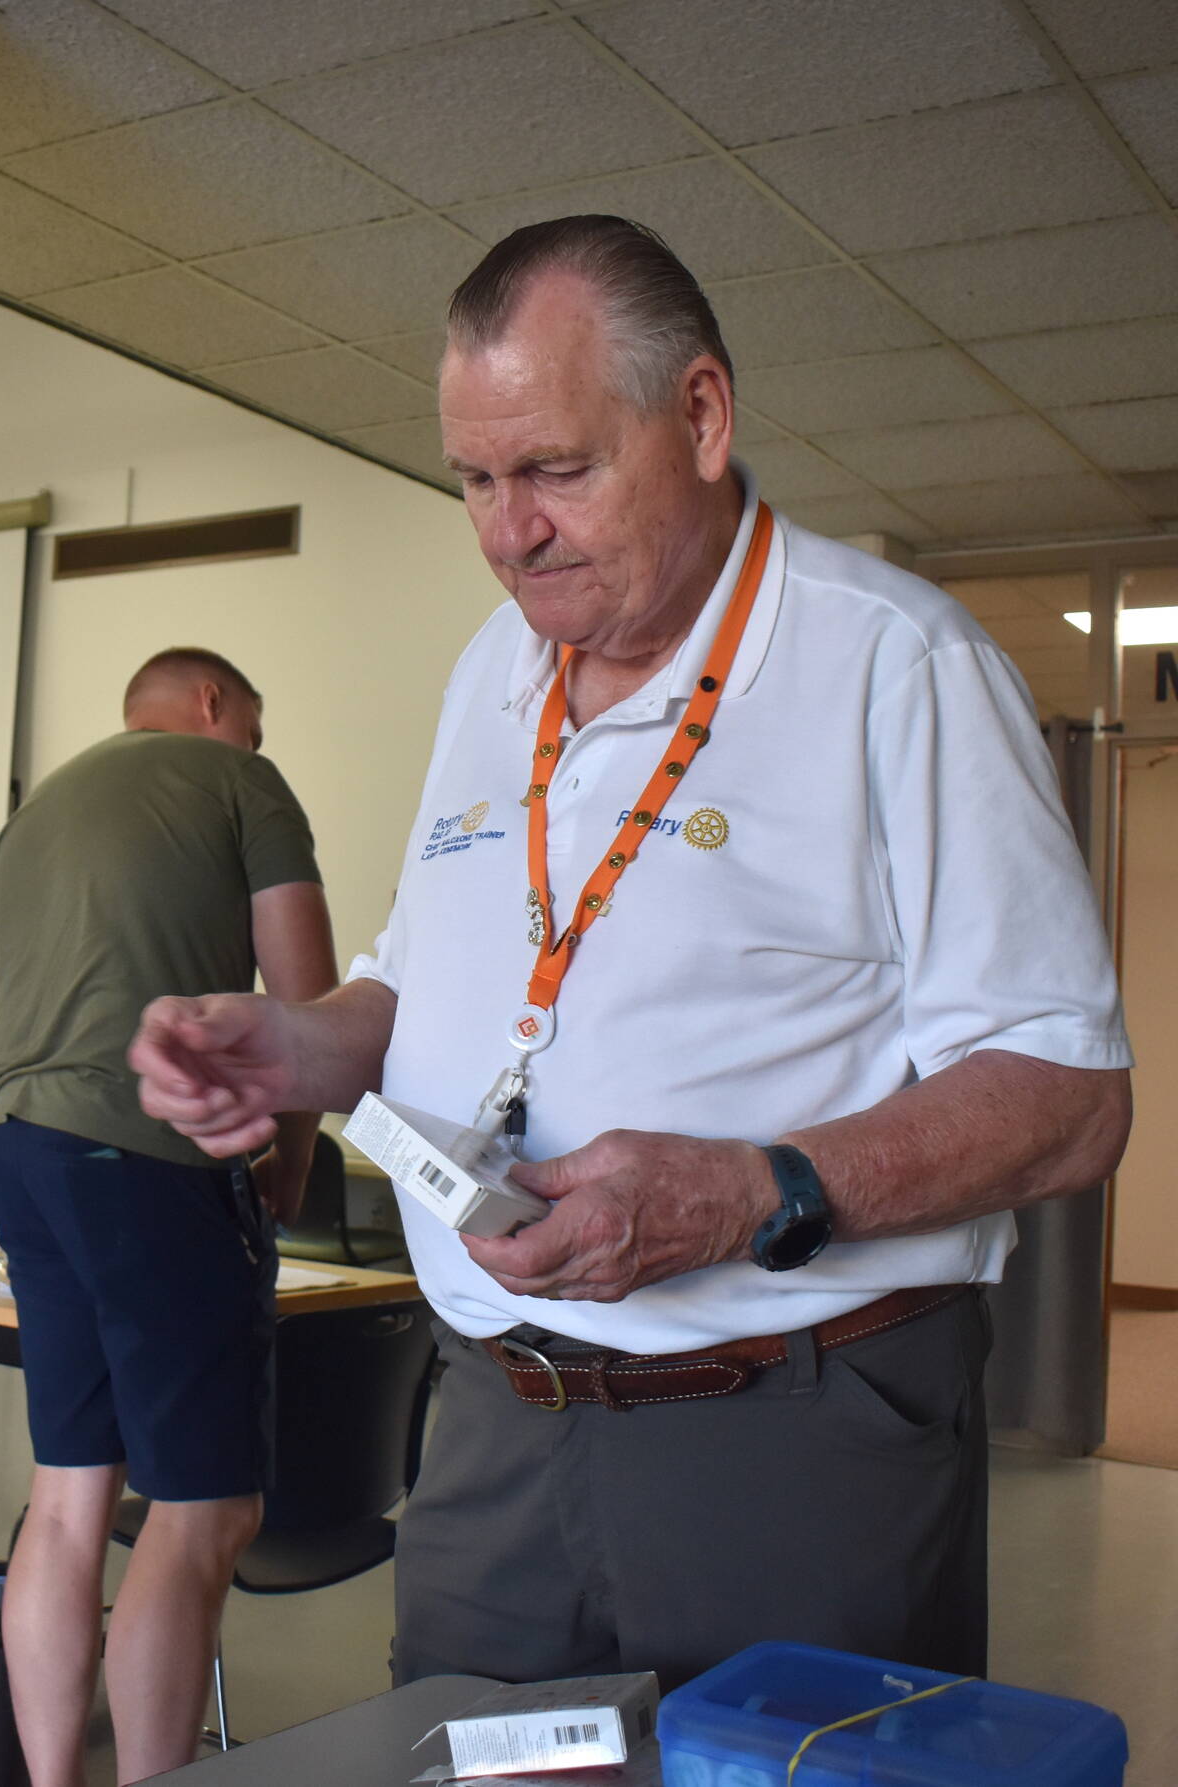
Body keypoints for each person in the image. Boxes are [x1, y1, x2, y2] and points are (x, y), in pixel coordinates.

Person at [130, 217, 1132, 1693]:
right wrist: (296, 1046)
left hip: (791, 1419)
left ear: (704, 416)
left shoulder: (894, 664)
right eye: (474, 477)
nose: (507, 529)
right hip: (494, 1409)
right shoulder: (494, 666)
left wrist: (751, 1189)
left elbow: (1068, 1089)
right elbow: (423, 976)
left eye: (555, 468)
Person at [0, 648, 337, 1785]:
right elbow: (307, 1004)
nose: (256, 744)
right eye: (255, 723)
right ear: (215, 703)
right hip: (154, 1157)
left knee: (67, 1495)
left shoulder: (34, 815)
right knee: (200, 1511)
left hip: (23, 1148)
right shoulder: (241, 780)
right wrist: (289, 1157)